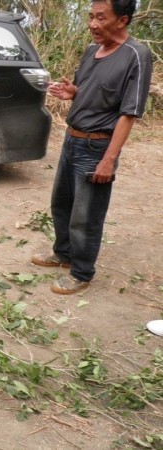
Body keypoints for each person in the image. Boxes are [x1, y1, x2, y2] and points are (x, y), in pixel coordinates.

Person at [32, 0, 152, 295]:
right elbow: (87, 91)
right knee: (62, 204)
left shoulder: (136, 55)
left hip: (97, 147)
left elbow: (129, 113)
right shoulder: (90, 51)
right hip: (72, 139)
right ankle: (63, 253)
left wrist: (109, 160)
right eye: (90, 17)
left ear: (122, 20)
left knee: (86, 214)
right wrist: (72, 93)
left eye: (101, 18)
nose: (92, 24)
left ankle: (81, 272)